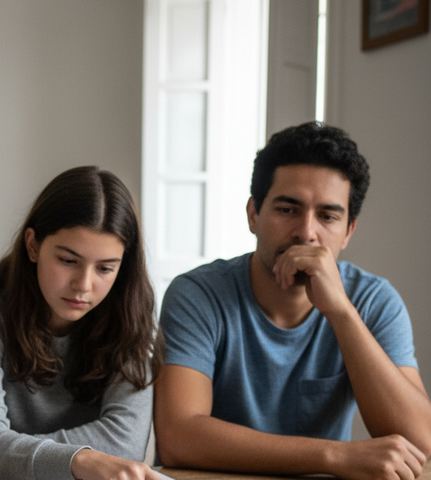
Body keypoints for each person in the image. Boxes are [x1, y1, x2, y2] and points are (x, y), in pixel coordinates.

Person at [155, 122, 431, 480]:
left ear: (348, 231)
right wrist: (335, 456)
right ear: (253, 214)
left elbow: (420, 441)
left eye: (328, 216)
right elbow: (179, 437)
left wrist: (341, 313)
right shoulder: (198, 295)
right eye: (287, 210)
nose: (307, 232)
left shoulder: (373, 300)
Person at [0, 166, 164, 480]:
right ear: (33, 245)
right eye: (68, 261)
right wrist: (79, 461)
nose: (84, 284)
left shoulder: (132, 316)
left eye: (105, 268)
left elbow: (126, 443)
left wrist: (9, 454)